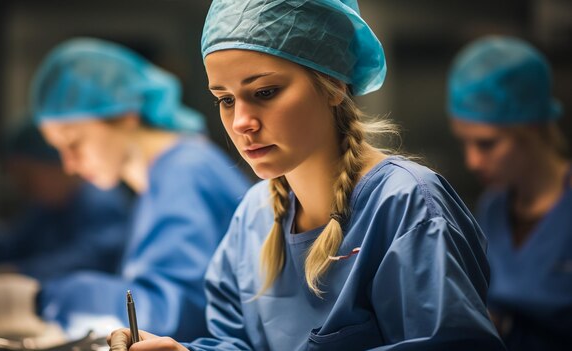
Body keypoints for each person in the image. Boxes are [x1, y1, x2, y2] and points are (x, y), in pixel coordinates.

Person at [107, 1, 505, 350]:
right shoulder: (255, 215)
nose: (241, 122)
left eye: (264, 92)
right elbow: (236, 342)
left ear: (332, 84)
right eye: (225, 100)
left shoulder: (406, 204)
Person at [0, 37, 250, 341]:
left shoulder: (184, 172)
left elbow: (166, 315)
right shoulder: (165, 176)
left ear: (126, 115)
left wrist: (43, 299)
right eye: (58, 150)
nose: (68, 165)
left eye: (73, 143)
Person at [447, 36, 571, 351]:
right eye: (465, 143)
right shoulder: (493, 208)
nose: (472, 161)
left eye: (486, 144)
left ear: (531, 128)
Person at [0, 122, 132, 282]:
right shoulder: (48, 206)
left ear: (55, 164)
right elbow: (16, 242)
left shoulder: (100, 201)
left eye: (26, 176)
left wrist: (16, 273)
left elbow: (92, 259)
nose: (20, 187)